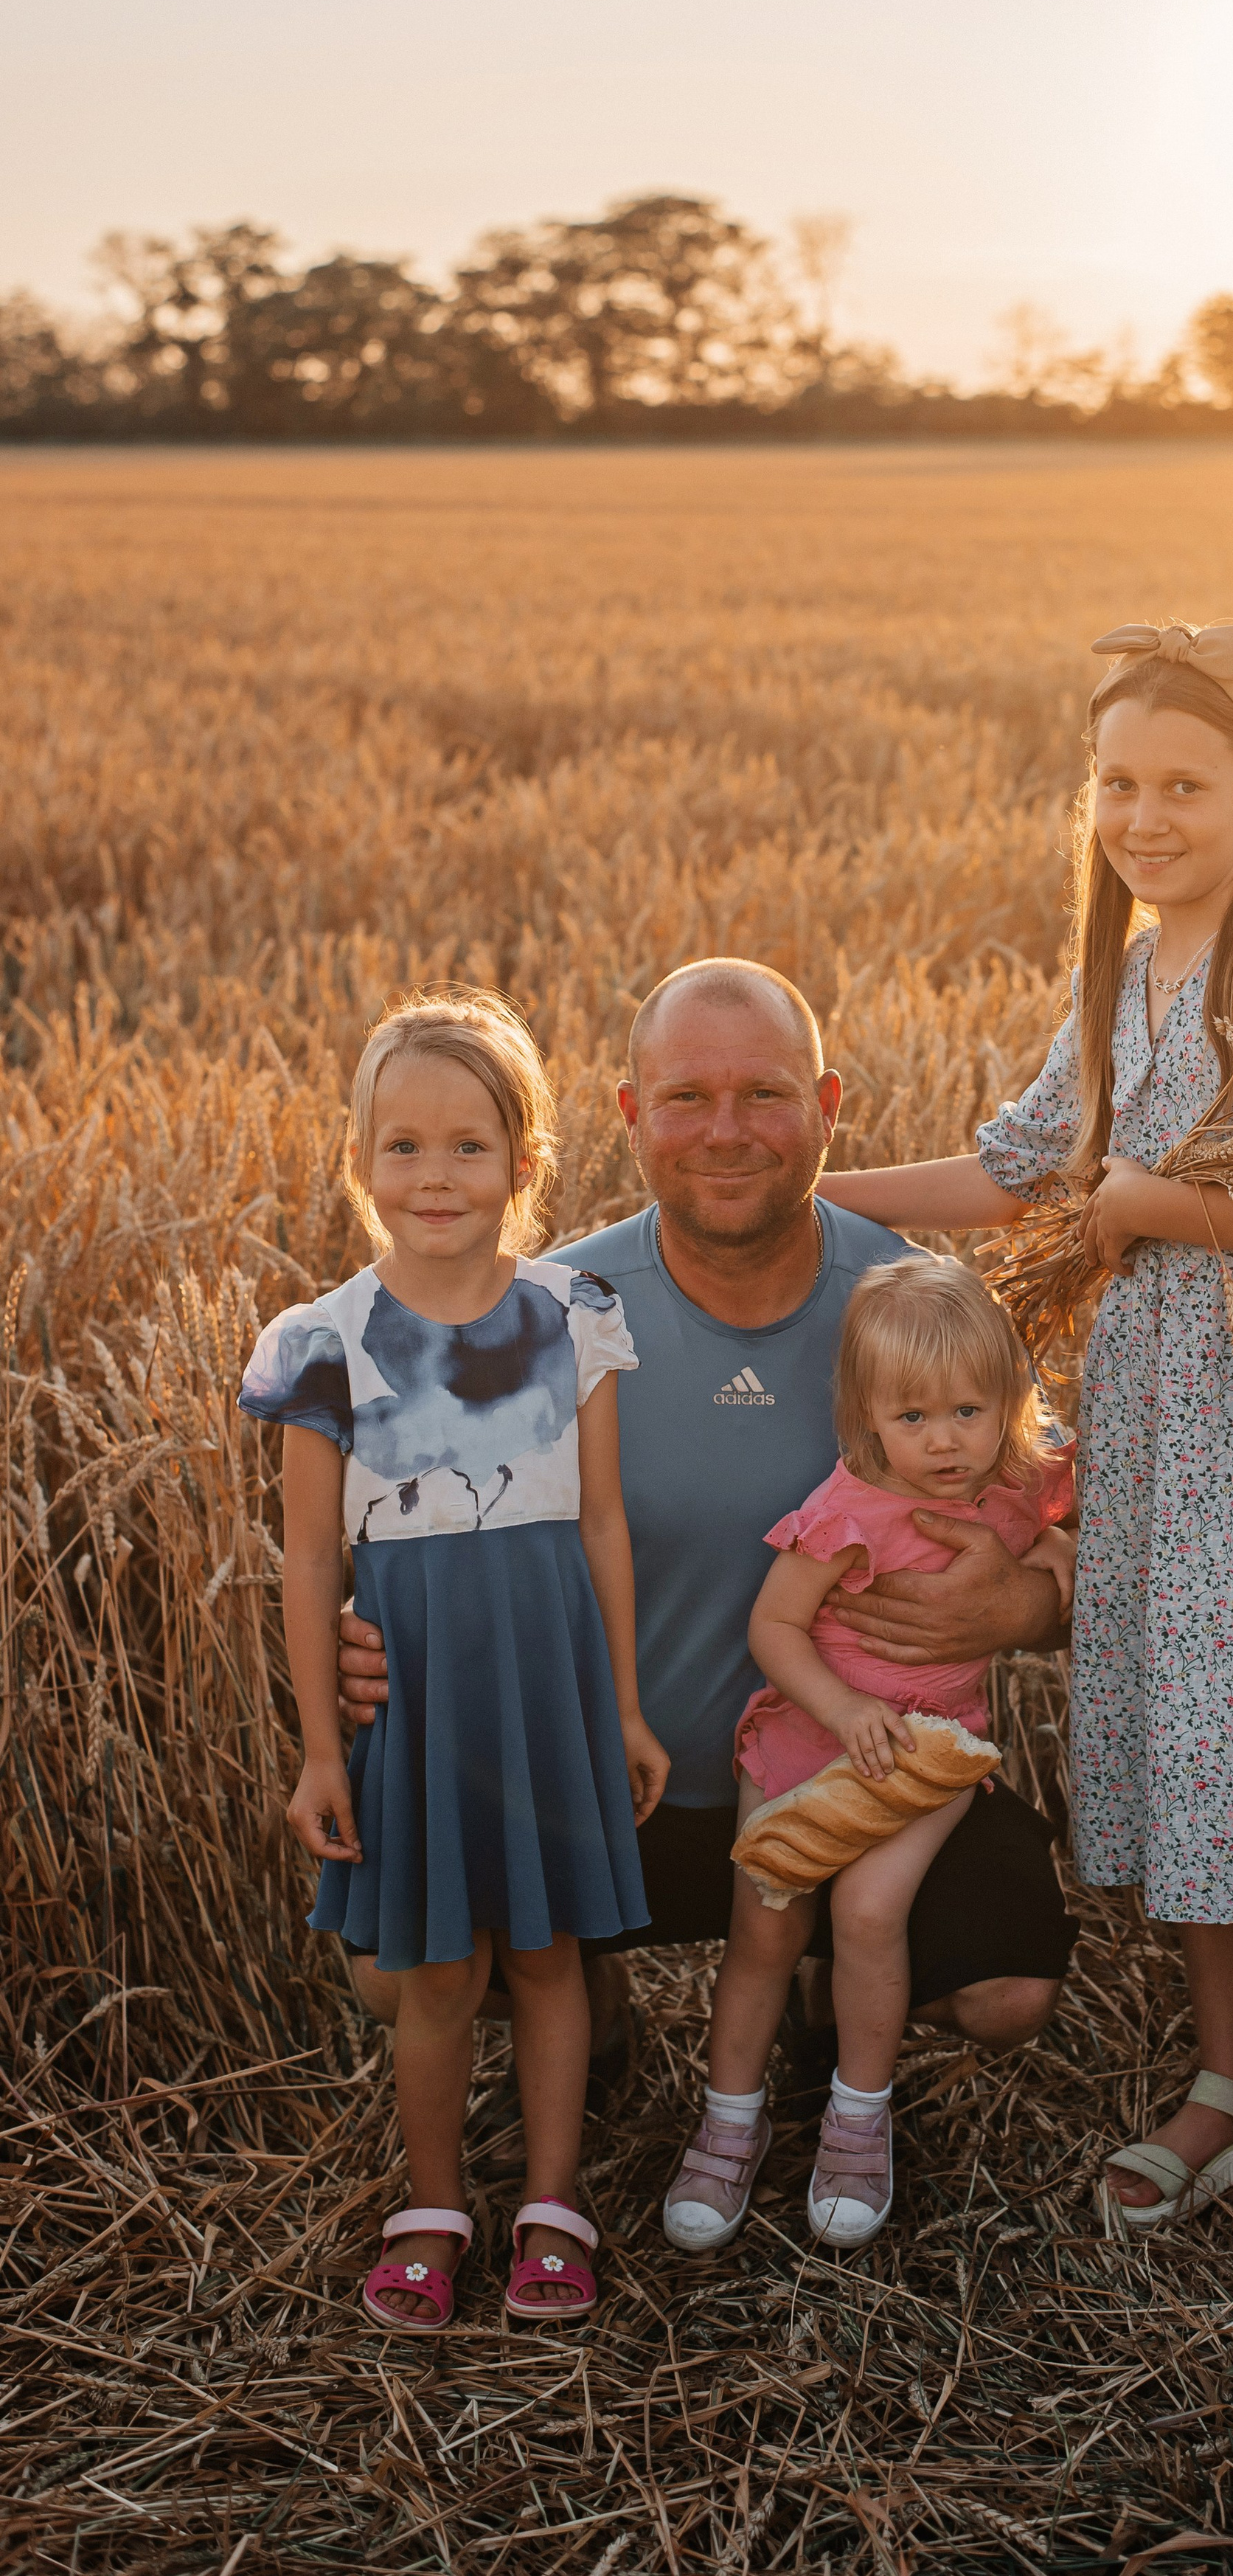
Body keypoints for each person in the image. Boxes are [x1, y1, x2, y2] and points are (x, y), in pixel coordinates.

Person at [824, 618, 1233, 2288]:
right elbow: (1019, 1164)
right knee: (1195, 1741)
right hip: (1170, 1418)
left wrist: (1149, 1205)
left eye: (1182, 782)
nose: (1142, 814)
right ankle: (1227, 2081)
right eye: (1115, 781)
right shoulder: (1120, 976)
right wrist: (806, 1203)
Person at [334, 962, 1079, 2113]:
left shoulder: (919, 1303)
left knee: (1009, 1995)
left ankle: (828, 1998)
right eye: (685, 1098)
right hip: (603, 1784)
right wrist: (371, 1633)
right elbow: (427, 1532)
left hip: (857, 1776)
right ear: (630, 1116)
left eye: (765, 1096)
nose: (725, 1133)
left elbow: (1076, 1537)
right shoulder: (546, 1310)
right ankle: (594, 1998)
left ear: (830, 1109)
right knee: (393, 1969)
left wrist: (1027, 1606)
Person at [243, 991, 665, 2331]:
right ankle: (432, 2205)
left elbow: (602, 1522)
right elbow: (313, 1562)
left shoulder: (574, 1315)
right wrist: (321, 1745)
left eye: (469, 1147)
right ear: (359, 1161)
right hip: (414, 1690)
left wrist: (628, 1710)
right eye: (403, 1147)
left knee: (544, 1955)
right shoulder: (324, 1340)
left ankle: (554, 2201)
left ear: (526, 1164)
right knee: (435, 1972)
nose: (435, 1177)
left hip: (547, 1675)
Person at [664, 1258, 1074, 2254]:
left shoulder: (1018, 1485)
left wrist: (1049, 1571)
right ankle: (728, 2120)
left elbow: (1084, 1526)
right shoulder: (848, 1510)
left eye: (970, 1412)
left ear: (1009, 1401)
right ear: (867, 1415)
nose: (944, 1442)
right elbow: (776, 1629)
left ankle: (857, 2118)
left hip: (928, 1758)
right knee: (765, 1919)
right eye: (913, 1418)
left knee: (869, 1909)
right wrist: (845, 1710)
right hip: (809, 1738)